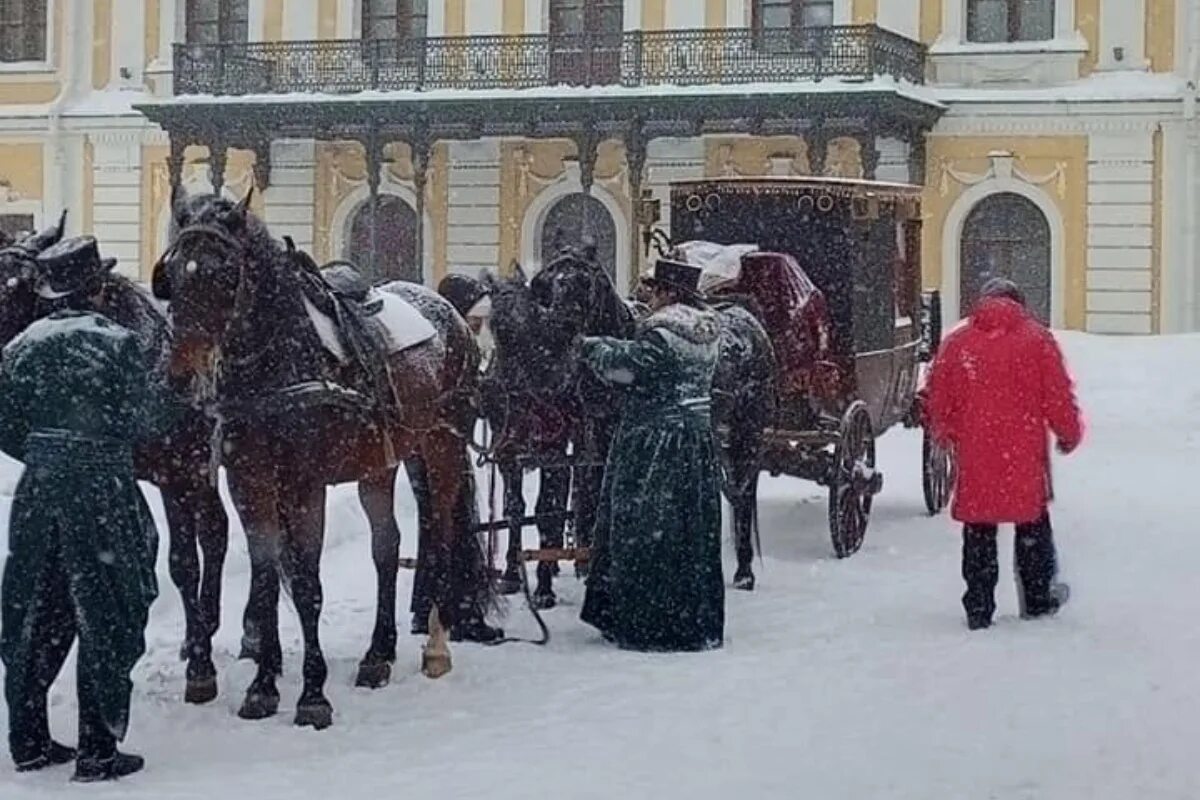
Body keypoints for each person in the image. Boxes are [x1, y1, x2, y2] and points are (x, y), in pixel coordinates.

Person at [0, 236, 167, 781]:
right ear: (96, 287)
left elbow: (5, 424)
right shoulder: (117, 342)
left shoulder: (22, 346)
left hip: (38, 490)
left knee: (35, 610)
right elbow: (146, 423)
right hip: (101, 491)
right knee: (107, 608)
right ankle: (98, 748)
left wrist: (46, 450)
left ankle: (28, 740)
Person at [579, 257, 724, 652]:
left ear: (668, 292)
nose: (649, 296)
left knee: (643, 528)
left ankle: (649, 622)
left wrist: (592, 349)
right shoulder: (708, 331)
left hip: (654, 443)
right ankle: (694, 618)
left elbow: (629, 371)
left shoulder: (661, 333)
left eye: (653, 289)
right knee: (690, 531)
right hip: (695, 441)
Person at [924, 277, 1083, 631]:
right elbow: (1058, 395)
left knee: (978, 531)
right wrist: (1068, 434)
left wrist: (947, 432)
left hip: (977, 455)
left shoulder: (958, 344)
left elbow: (939, 398)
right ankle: (1038, 598)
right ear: (1019, 304)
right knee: (1033, 526)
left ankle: (979, 606)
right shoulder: (1038, 340)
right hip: (1023, 455)